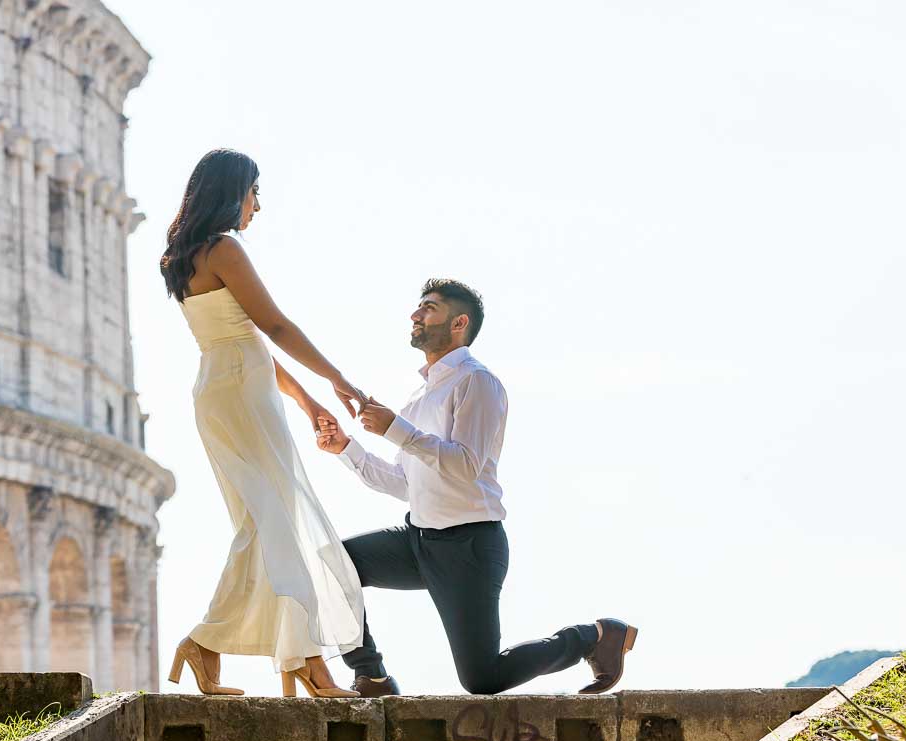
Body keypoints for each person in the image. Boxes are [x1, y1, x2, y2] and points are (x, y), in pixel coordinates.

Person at [316, 279, 638, 696]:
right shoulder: (419, 397)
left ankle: (595, 637)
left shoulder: (478, 382)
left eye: (428, 308)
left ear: (459, 323)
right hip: (419, 540)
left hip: (469, 547)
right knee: (330, 566)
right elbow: (406, 484)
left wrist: (395, 429)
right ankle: (371, 675)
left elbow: (466, 464)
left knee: (483, 679)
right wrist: (347, 448)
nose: (415, 316)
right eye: (417, 309)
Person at [161, 149, 365, 697]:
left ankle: (270, 656)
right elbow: (271, 325)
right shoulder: (224, 248)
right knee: (275, 522)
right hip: (242, 391)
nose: (258, 204)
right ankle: (292, 660)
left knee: (265, 522)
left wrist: (306, 400)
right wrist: (337, 378)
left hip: (222, 386)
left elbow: (239, 337)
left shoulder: (179, 256)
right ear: (233, 192)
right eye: (255, 190)